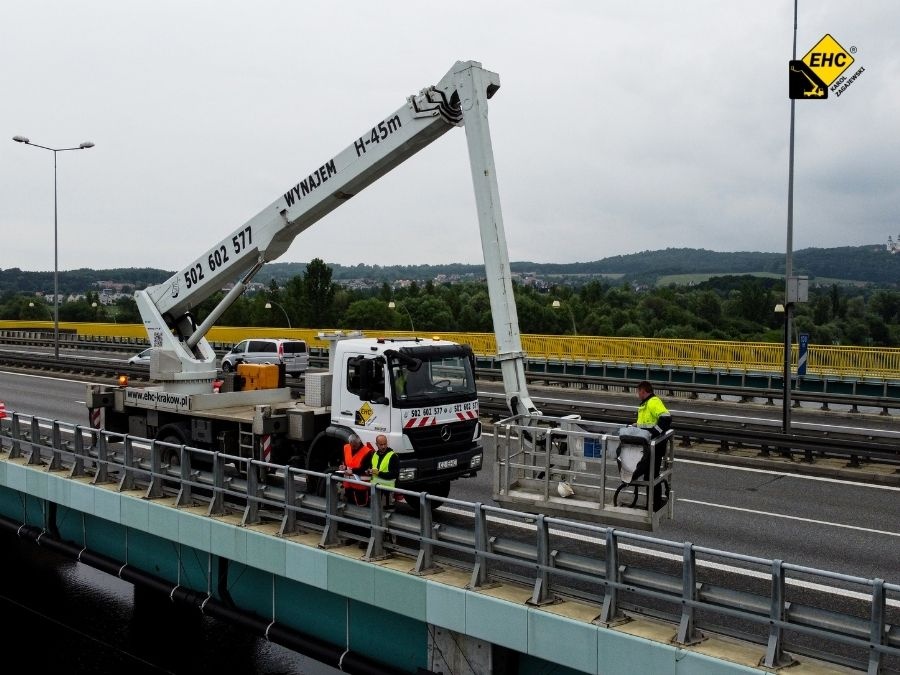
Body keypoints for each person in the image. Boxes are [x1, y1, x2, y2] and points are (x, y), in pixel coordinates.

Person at [634, 381, 672, 508]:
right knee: (649, 476)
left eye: (638, 391)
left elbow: (666, 418)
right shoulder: (645, 404)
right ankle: (652, 503)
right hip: (649, 446)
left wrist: (655, 433)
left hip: (655, 446)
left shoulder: (653, 402)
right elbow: (645, 423)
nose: (637, 394)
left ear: (643, 391)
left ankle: (655, 504)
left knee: (651, 475)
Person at [340, 434, 373, 506]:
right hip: (348, 483)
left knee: (362, 506)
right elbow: (346, 462)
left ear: (359, 442)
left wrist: (352, 471)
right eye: (351, 445)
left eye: (355, 446)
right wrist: (343, 467)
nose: (353, 448)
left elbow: (365, 469)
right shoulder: (346, 447)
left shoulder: (367, 452)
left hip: (360, 486)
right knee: (349, 505)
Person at [369, 434, 399, 508]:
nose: (383, 446)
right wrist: (369, 471)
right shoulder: (374, 454)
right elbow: (371, 468)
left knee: (387, 514)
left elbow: (395, 474)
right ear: (376, 444)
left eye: (385, 444)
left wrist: (378, 473)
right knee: (375, 510)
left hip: (387, 491)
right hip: (375, 489)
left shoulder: (393, 456)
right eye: (381, 444)